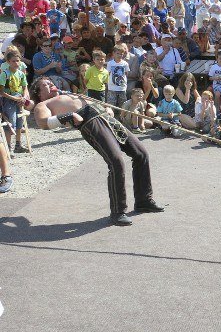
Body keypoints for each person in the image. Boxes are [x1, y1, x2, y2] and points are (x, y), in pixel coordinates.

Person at [32, 76, 163, 225]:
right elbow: (43, 123)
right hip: (90, 122)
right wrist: (67, 116)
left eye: (50, 82)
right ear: (39, 93)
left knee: (141, 154)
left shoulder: (66, 93)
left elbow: (92, 102)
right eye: (46, 85)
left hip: (105, 116)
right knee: (116, 161)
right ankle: (118, 211)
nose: (51, 84)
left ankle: (143, 200)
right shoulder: (43, 104)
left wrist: (106, 108)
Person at [0, 49, 31, 154]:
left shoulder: (21, 74)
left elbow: (25, 87)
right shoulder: (5, 74)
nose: (16, 63)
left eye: (18, 61)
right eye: (13, 61)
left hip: (19, 99)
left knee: (19, 123)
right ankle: (8, 147)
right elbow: (2, 92)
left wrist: (24, 97)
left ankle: (18, 145)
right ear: (8, 62)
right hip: (8, 100)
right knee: (10, 123)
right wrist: (15, 99)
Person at [106, 44, 130, 110]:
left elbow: (126, 74)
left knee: (122, 105)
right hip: (112, 88)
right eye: (117, 53)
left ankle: (122, 118)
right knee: (111, 104)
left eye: (121, 54)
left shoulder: (125, 63)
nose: (119, 55)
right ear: (113, 53)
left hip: (122, 87)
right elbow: (108, 73)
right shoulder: (110, 63)